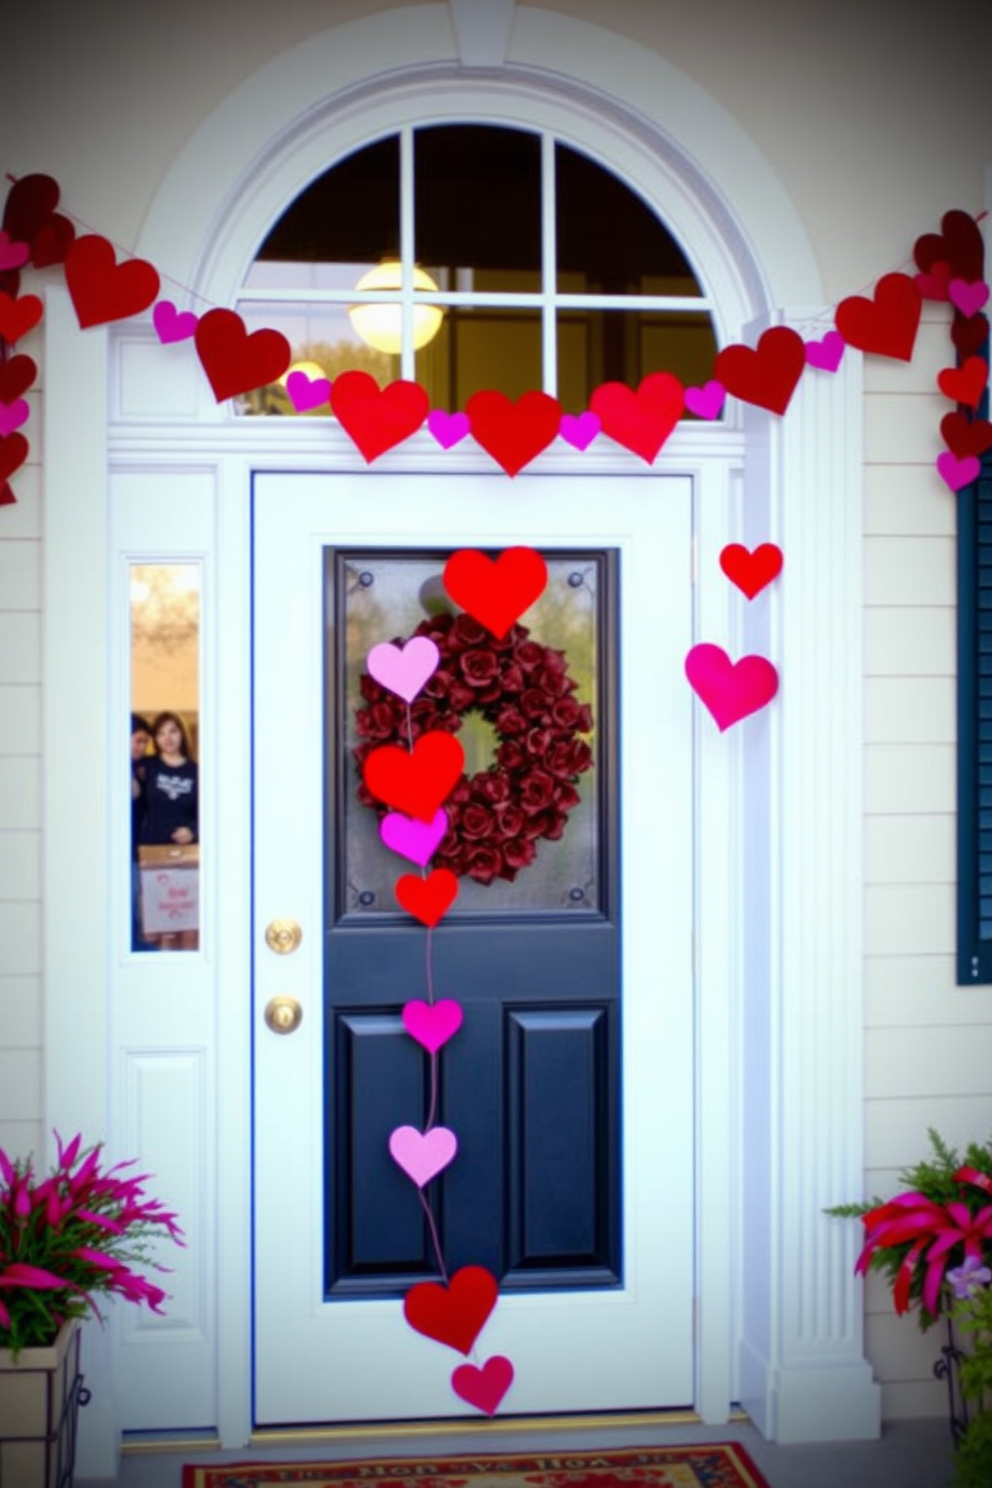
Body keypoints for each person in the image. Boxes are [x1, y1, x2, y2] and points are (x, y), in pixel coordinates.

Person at [139, 711, 199, 949]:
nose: (168, 738)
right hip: (153, 855)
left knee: (188, 925)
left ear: (181, 734)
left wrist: (193, 831)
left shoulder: (195, 771)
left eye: (172, 731)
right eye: (161, 733)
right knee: (160, 930)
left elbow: (208, 811)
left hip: (186, 857)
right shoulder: (148, 767)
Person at [130, 713, 153, 951]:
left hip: (138, 854)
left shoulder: (142, 769)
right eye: (138, 740)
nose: (142, 747)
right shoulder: (113, 769)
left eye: (145, 742)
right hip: (123, 856)